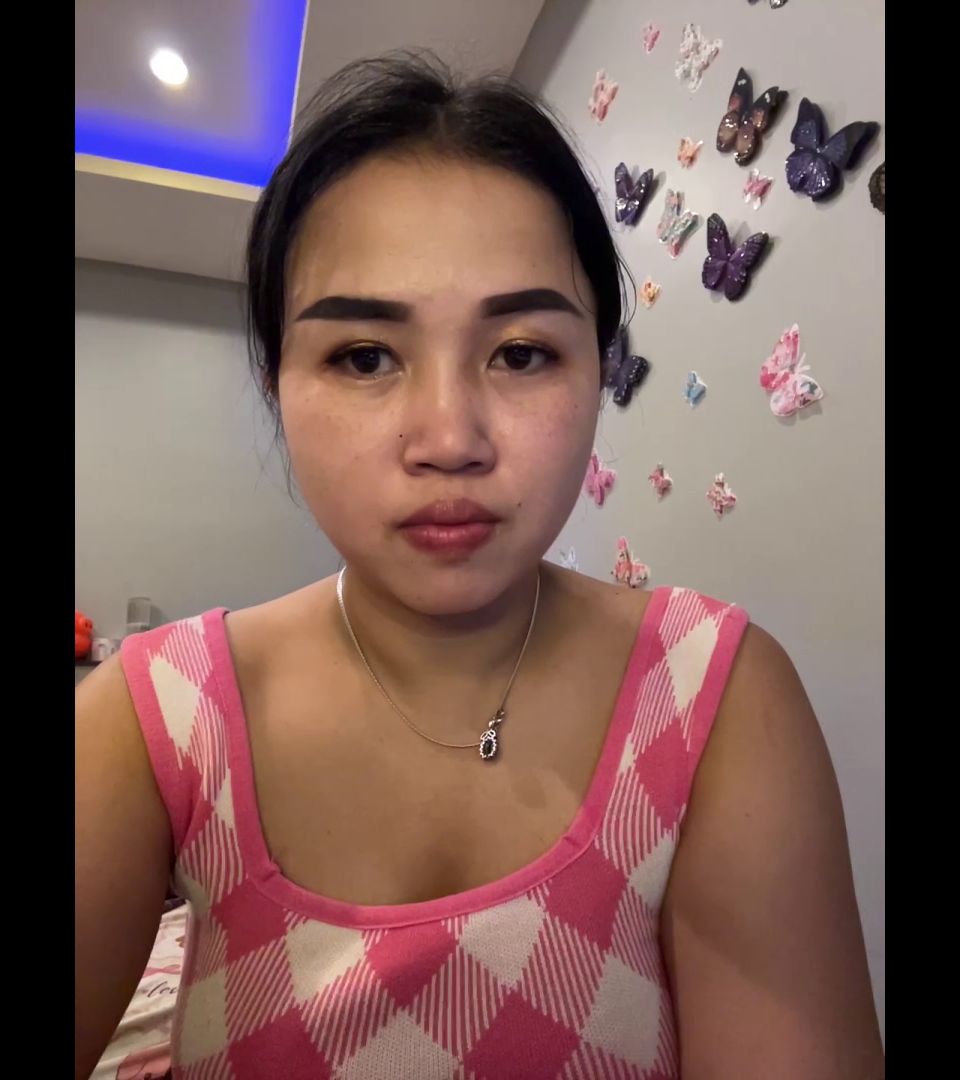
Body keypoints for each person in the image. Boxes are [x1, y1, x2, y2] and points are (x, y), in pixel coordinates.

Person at [76, 53, 883, 1079]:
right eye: (365, 357)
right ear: (279, 382)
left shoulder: (716, 697)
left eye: (520, 353)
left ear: (598, 369)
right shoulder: (148, 716)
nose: (450, 439)